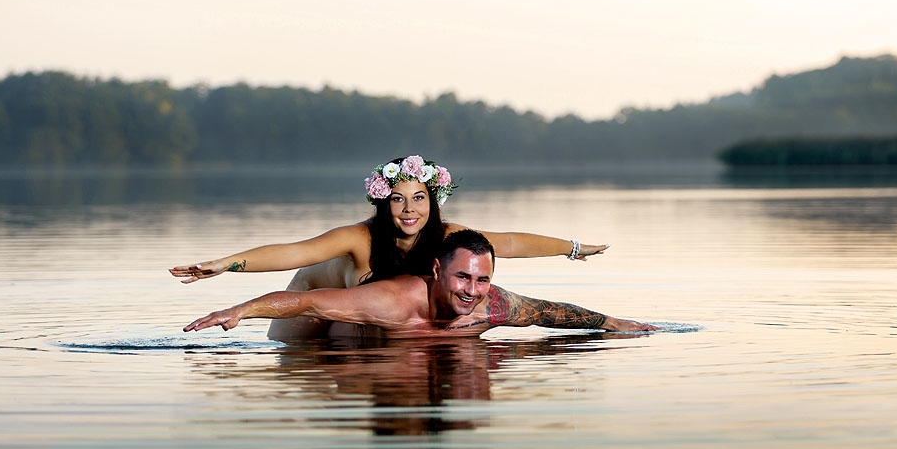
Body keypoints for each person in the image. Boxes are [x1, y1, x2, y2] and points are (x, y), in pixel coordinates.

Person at [169, 155, 609, 339]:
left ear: (433, 201)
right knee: (312, 363)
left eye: (419, 198)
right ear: (384, 202)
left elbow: (509, 242)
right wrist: (227, 264)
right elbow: (294, 253)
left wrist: (572, 248)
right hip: (310, 304)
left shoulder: (447, 235)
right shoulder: (358, 238)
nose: (409, 209)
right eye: (398, 198)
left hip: (367, 312)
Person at [184, 229, 658, 339]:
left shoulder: (489, 305)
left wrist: (612, 323)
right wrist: (241, 309)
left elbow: (549, 312)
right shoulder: (390, 299)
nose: (472, 290)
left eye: (481, 280)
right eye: (462, 278)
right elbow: (306, 299)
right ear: (435, 271)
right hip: (336, 311)